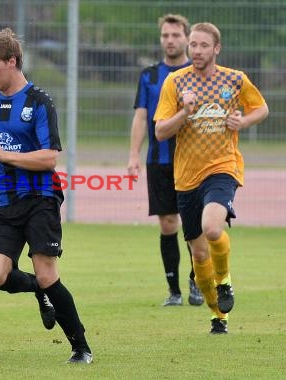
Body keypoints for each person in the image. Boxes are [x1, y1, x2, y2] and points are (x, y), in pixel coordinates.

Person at [0, 28, 92, 364]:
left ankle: (80, 347)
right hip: (1, 201)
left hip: (40, 200)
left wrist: (6, 155)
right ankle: (39, 292)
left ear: (12, 61)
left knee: (49, 274)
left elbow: (49, 158)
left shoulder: (40, 102)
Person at [155, 22, 269, 334]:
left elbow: (261, 108)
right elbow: (161, 131)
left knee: (212, 227)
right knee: (199, 254)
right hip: (186, 178)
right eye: (193, 45)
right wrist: (184, 112)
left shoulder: (234, 79)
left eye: (204, 45)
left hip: (223, 167)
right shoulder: (176, 83)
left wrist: (242, 121)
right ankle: (219, 314)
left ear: (216, 48)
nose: (197, 50)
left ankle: (226, 283)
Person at [127, 14, 204, 307]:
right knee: (168, 223)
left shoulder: (198, 72)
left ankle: (198, 283)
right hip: (159, 161)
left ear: (186, 38)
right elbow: (141, 116)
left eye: (175, 35)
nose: (170, 40)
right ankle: (174, 291)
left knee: (194, 224)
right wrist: (133, 154)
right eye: (165, 35)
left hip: (195, 160)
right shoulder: (149, 75)